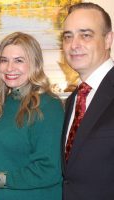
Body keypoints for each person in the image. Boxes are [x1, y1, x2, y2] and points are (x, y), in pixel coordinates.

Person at [0, 32, 64, 200]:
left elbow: (49, 170)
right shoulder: (1, 104)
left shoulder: (49, 106)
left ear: (34, 64)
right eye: (4, 60)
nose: (9, 67)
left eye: (19, 60)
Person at [61, 3, 114, 200]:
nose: (74, 45)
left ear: (108, 39)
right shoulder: (74, 100)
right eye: (68, 36)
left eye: (85, 35)